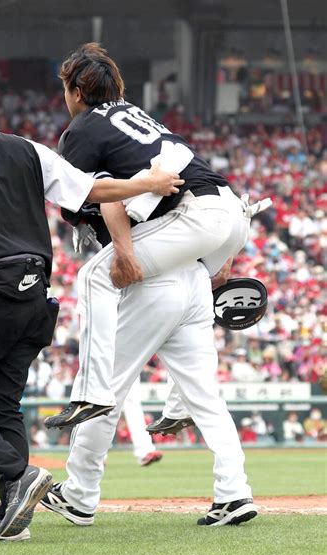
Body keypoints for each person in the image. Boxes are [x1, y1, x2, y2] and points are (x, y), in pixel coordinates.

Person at [0, 64, 181, 542]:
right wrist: (145, 185)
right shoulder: (30, 150)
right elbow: (91, 189)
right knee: (4, 404)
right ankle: (12, 516)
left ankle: (21, 473)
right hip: (36, 293)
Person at [41, 43, 257, 527]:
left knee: (105, 384)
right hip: (204, 242)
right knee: (206, 394)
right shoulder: (140, 118)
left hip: (163, 262)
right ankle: (235, 492)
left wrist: (122, 250)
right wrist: (216, 262)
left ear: (77, 91)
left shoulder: (84, 128)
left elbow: (94, 200)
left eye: (66, 90)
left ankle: (79, 494)